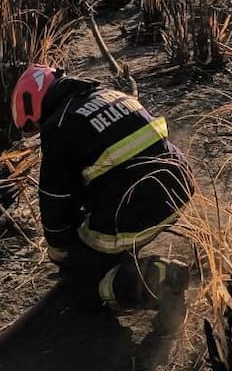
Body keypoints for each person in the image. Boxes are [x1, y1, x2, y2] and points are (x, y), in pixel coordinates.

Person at [11, 64, 193, 313]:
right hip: (180, 189)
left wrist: (64, 254)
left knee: (86, 285)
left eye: (34, 127)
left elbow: (55, 200)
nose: (39, 130)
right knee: (106, 233)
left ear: (34, 104)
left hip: (138, 207)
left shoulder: (59, 126)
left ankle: (158, 277)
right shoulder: (111, 95)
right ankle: (126, 258)